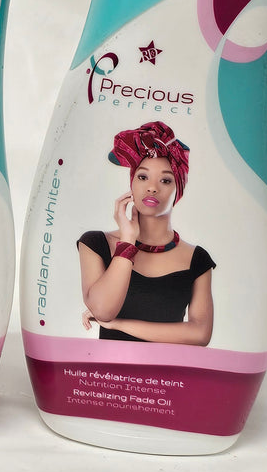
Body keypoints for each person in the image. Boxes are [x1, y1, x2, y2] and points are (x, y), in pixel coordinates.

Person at [78, 121, 214, 344]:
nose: (152, 187)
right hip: (108, 367)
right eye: (142, 177)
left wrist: (119, 324)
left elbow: (200, 334)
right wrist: (127, 241)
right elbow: (103, 310)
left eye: (165, 180)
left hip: (171, 368)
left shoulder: (197, 259)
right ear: (132, 183)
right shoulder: (95, 243)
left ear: (178, 190)